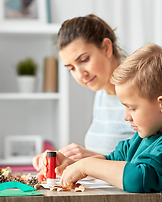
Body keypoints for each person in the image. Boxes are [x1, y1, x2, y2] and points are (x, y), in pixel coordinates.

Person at [35, 43, 162, 202]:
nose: (126, 116)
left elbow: (141, 178)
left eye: (132, 107)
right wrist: (72, 164)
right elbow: (112, 161)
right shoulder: (148, 136)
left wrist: (86, 165)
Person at [33, 14, 134, 168]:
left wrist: (92, 160)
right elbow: (103, 161)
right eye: (71, 68)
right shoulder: (101, 94)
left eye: (84, 60)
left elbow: (149, 166)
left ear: (107, 48)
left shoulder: (140, 94)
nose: (80, 75)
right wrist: (67, 160)